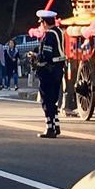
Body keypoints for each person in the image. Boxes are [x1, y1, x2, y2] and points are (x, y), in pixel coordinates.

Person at [33, 9, 66, 137]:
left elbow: (46, 55)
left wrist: (36, 56)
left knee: (46, 100)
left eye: (41, 22)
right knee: (53, 99)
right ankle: (56, 125)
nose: (41, 24)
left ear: (45, 22)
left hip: (48, 71)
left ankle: (49, 128)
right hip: (58, 69)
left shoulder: (49, 35)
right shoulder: (59, 32)